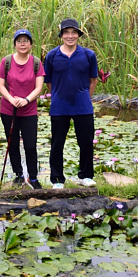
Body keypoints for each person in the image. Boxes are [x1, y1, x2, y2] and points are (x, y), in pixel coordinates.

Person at [43, 19, 98, 189]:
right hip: (59, 106)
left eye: (74, 32)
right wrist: (58, 95)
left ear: (79, 35)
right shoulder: (52, 56)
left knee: (86, 142)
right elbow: (49, 82)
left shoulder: (88, 55)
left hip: (83, 105)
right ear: (61, 35)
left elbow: (93, 80)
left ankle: (85, 176)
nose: (70, 36)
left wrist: (84, 97)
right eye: (66, 32)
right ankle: (57, 180)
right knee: (57, 143)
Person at [0, 29, 46, 190]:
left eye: (26, 41)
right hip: (8, 109)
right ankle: (18, 175)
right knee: (13, 144)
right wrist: (11, 99)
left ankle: (33, 177)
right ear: (15, 44)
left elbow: (39, 87)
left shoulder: (36, 62)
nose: (22, 44)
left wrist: (26, 100)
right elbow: (1, 85)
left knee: (30, 145)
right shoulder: (7, 61)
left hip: (29, 110)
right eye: (19, 41)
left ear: (31, 44)